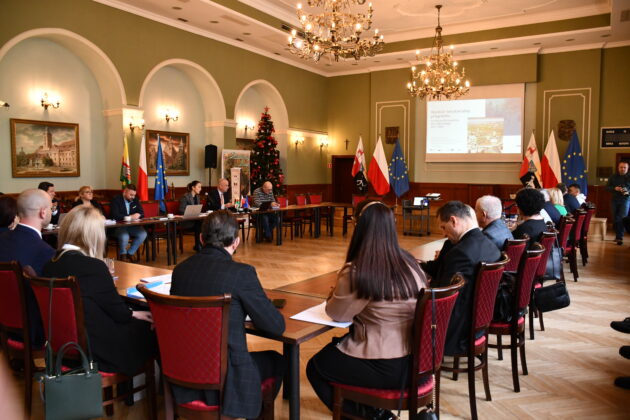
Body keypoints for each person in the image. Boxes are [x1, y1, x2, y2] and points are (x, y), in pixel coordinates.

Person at [307, 200, 427, 419]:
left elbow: (337, 314)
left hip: (384, 363)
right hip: (418, 360)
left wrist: (334, 293)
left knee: (316, 366)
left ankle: (372, 416)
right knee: (334, 352)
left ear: (358, 227)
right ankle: (373, 411)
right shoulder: (411, 263)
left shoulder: (360, 270)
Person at [169, 210, 285, 419]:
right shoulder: (242, 273)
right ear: (236, 242)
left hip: (183, 374)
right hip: (228, 381)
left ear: (201, 238)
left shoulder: (180, 271)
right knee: (276, 360)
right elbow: (275, 326)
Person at [42, 205, 156, 376]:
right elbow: (118, 313)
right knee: (155, 326)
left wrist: (131, 313)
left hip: (65, 344)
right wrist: (134, 313)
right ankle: (166, 387)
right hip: (98, 351)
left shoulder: (50, 264)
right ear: (94, 234)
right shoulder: (93, 267)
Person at [421, 201, 501, 355]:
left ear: (453, 221)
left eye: (443, 227)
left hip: (456, 331)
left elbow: (442, 294)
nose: (444, 233)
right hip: (479, 321)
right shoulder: (489, 245)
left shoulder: (461, 252)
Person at [0, 189, 56, 347]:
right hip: (33, 332)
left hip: (4, 325)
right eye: (50, 208)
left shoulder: (2, 239)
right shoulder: (45, 251)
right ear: (43, 212)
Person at [110, 184, 147, 261]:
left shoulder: (135, 199)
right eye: (131, 195)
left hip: (132, 226)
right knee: (124, 236)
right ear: (125, 192)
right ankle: (123, 254)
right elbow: (115, 215)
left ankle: (130, 253)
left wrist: (138, 215)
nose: (133, 197)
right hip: (119, 226)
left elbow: (142, 213)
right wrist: (129, 217)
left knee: (143, 234)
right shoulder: (116, 199)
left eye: (134, 195)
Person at [606, 161, 630, 245]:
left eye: (624, 167)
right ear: (618, 168)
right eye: (621, 167)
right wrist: (614, 188)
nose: (623, 169)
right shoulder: (613, 177)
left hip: (626, 200)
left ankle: (619, 237)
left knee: (622, 218)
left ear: (627, 168)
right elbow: (607, 187)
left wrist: (627, 190)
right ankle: (617, 235)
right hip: (614, 200)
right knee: (615, 218)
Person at [178, 180, 203, 251]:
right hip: (186, 221)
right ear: (193, 188)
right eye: (199, 187)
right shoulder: (185, 197)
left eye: (200, 187)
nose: (200, 189)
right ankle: (198, 246)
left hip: (195, 219)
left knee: (204, 223)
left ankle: (200, 245)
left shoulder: (197, 197)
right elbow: (181, 210)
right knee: (199, 224)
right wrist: (190, 213)